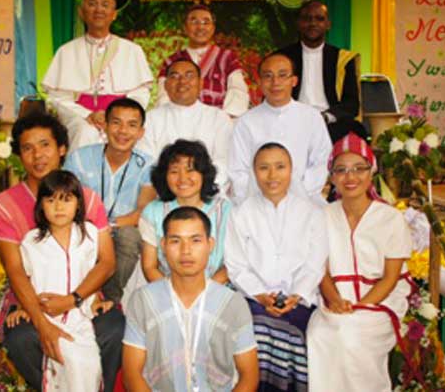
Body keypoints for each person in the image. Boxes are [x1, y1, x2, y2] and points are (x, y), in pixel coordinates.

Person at [0, 112, 124, 392]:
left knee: (114, 329)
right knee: (22, 339)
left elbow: (107, 261)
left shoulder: (86, 199)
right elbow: (15, 270)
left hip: (85, 298)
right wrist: (42, 323)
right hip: (31, 302)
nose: (37, 155)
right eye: (28, 148)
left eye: (45, 145)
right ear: (19, 155)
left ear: (62, 149)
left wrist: (74, 299)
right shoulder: (4, 205)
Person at [306, 133, 413, 392]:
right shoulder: (322, 216)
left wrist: (361, 306)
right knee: (318, 334)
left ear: (371, 172)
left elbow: (390, 278)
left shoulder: (390, 218)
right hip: (335, 301)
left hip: (381, 301)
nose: (350, 177)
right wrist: (334, 299)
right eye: (341, 170)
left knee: (352, 336)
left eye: (358, 168)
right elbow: (321, 270)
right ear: (332, 177)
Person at [225, 143, 328, 391]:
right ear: (254, 172)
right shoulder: (240, 214)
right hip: (252, 299)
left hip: (299, 300)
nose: (272, 175)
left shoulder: (312, 213)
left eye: (280, 167)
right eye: (264, 168)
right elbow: (236, 265)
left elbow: (315, 264)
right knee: (254, 330)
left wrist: (296, 295)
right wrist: (260, 295)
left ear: (292, 170)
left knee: (296, 333)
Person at [123, 206, 259, 391]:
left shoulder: (232, 303)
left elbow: (249, 376)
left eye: (195, 240)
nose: (186, 250)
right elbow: (132, 374)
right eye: (175, 241)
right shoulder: (143, 301)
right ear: (163, 246)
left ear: (210, 245)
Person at [5, 171, 110, 391]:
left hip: (80, 316)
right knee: (64, 362)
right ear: (41, 206)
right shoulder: (31, 242)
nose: (58, 207)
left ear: (78, 204)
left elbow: (96, 271)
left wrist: (96, 301)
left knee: (88, 364)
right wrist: (23, 307)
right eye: (51, 200)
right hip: (47, 315)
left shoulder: (90, 235)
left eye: (66, 199)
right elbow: (25, 279)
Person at [64, 98, 156, 304]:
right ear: (104, 125)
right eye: (116, 122)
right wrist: (96, 228)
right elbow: (68, 202)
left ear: (141, 132)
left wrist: (108, 225)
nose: (123, 131)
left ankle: (110, 299)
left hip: (120, 229)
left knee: (130, 236)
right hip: (83, 227)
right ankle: (79, 295)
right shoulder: (79, 159)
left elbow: (143, 212)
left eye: (132, 125)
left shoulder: (147, 166)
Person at [42, 0, 153, 151]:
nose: (99, 9)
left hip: (122, 117)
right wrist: (87, 115)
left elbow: (140, 93)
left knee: (141, 137)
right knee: (85, 133)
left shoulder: (131, 50)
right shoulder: (66, 51)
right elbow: (57, 98)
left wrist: (117, 117)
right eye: (92, 4)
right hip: (80, 117)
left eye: (105, 5)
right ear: (81, 12)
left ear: (114, 14)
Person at [229, 53, 332, 206]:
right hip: (256, 203)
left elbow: (322, 161)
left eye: (282, 75)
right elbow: (238, 170)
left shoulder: (311, 117)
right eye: (268, 76)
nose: (275, 82)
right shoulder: (246, 122)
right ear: (260, 82)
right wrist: (260, 200)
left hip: (305, 202)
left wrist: (298, 196)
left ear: (294, 81)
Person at [140, 139, 231, 285]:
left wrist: (205, 293)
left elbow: (232, 264)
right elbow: (150, 267)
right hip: (168, 291)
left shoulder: (225, 210)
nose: (182, 178)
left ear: (204, 173)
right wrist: (175, 294)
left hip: (217, 290)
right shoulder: (153, 211)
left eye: (190, 170)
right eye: (174, 172)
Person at [277, 0, 366, 142]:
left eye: (319, 19)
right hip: (291, 122)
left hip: (330, 123)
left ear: (328, 24)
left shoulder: (343, 59)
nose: (313, 23)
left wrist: (325, 117)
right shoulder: (282, 58)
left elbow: (351, 104)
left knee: (353, 130)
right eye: (307, 18)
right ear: (298, 24)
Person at [138, 59, 233, 190]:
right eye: (175, 76)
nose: (182, 81)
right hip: (162, 193)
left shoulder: (219, 118)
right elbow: (145, 162)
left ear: (201, 83)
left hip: (208, 194)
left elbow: (225, 161)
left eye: (189, 76)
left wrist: (198, 190)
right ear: (165, 85)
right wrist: (171, 189)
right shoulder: (151, 118)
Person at [157, 4, 249, 117]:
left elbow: (238, 91)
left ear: (213, 28)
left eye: (206, 22)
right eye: (194, 22)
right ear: (185, 28)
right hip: (181, 119)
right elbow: (164, 96)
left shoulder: (227, 57)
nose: (200, 27)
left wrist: (224, 119)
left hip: (218, 119)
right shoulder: (171, 61)